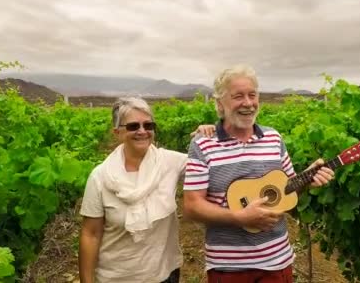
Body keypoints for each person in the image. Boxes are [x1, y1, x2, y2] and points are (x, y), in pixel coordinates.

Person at [183, 64, 335, 283]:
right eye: (238, 96)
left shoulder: (274, 138)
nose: (247, 103)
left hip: (278, 261)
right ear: (219, 104)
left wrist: (308, 179)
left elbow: (288, 189)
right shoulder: (203, 144)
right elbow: (191, 206)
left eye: (252, 95)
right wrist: (239, 217)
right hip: (229, 269)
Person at [78, 97, 214, 283]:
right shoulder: (100, 177)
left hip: (164, 274)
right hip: (116, 278)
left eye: (148, 125)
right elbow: (90, 234)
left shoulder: (169, 162)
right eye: (133, 126)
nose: (142, 131)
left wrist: (209, 135)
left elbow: (209, 165)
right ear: (117, 132)